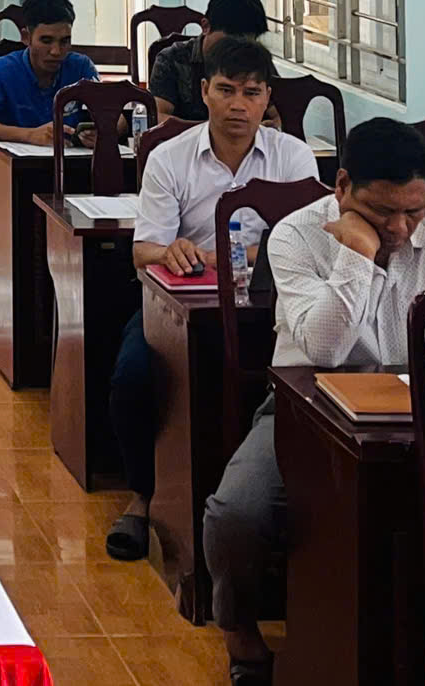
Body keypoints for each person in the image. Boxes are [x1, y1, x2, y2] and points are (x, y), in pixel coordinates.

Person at [201, 118, 425, 684]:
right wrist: (358, 253)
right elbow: (326, 348)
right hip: (306, 407)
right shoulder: (295, 235)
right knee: (237, 514)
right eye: (382, 212)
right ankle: (241, 632)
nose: (400, 228)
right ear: (342, 186)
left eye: (413, 211)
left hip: (418, 409)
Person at [106, 36, 316, 562]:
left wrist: (225, 256)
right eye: (226, 90)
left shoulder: (293, 157)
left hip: (272, 311)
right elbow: (142, 252)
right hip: (181, 311)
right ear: (204, 92)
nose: (238, 105)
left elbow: (311, 243)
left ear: (268, 98)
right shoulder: (170, 157)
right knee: (132, 377)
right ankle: (144, 497)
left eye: (252, 92)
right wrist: (172, 249)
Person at [0, 0, 99, 147]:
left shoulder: (81, 67)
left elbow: (116, 119)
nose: (56, 51)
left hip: (73, 159)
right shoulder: (1, 71)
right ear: (26, 37)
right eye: (46, 41)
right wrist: (29, 135)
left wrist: (103, 132)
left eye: (64, 41)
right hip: (16, 161)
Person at [149, 0, 270, 123]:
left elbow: (279, 112)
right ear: (206, 27)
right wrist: (212, 130)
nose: (237, 50)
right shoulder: (172, 59)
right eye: (230, 41)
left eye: (247, 42)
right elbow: (159, 116)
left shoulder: (255, 60)